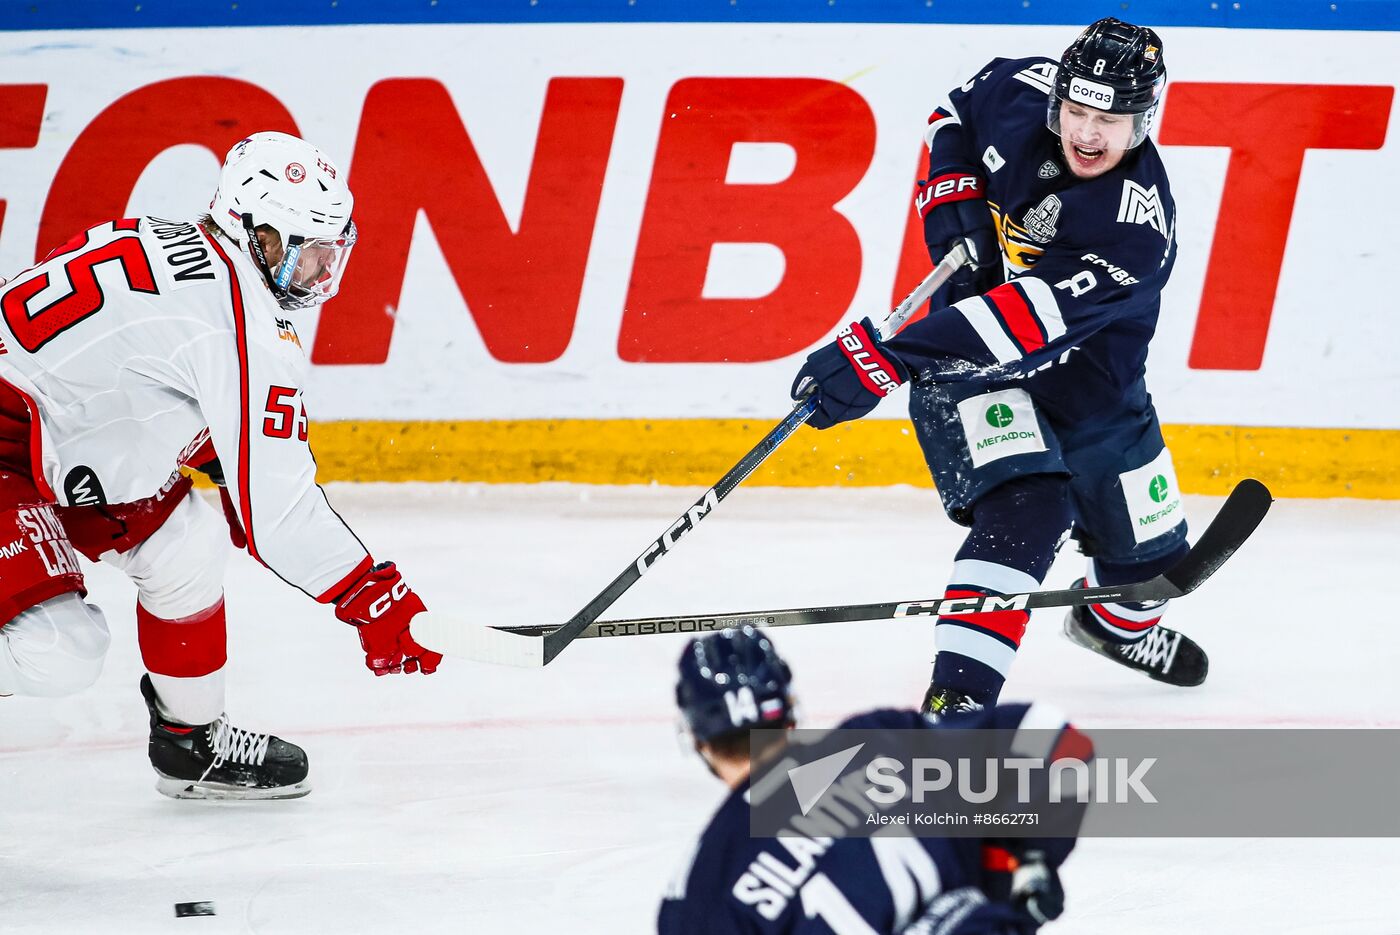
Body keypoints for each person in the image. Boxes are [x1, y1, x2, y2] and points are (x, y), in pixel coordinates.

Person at [0, 131, 441, 799]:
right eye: (304, 254)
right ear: (252, 229)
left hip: (46, 437)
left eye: (331, 254)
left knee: (185, 544)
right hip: (19, 444)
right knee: (60, 647)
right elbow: (282, 517)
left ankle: (190, 744)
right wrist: (370, 595)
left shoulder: (173, 240)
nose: (321, 277)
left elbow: (123, 379)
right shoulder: (236, 319)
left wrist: (225, 463)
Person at [791, 18, 1203, 717]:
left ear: (1143, 120)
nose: (1086, 134)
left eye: (1109, 119)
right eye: (1076, 110)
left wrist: (883, 356)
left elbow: (1025, 318)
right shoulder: (1017, 89)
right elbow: (952, 112)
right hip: (967, 368)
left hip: (1093, 388)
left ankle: (1113, 629)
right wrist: (955, 211)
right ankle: (960, 699)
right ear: (1057, 97)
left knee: (1150, 564)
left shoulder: (1135, 228)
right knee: (1029, 508)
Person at [659, 626, 1082, 934]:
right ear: (790, 712)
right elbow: (1057, 741)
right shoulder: (879, 741)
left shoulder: (697, 891)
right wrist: (1032, 864)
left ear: (696, 739)